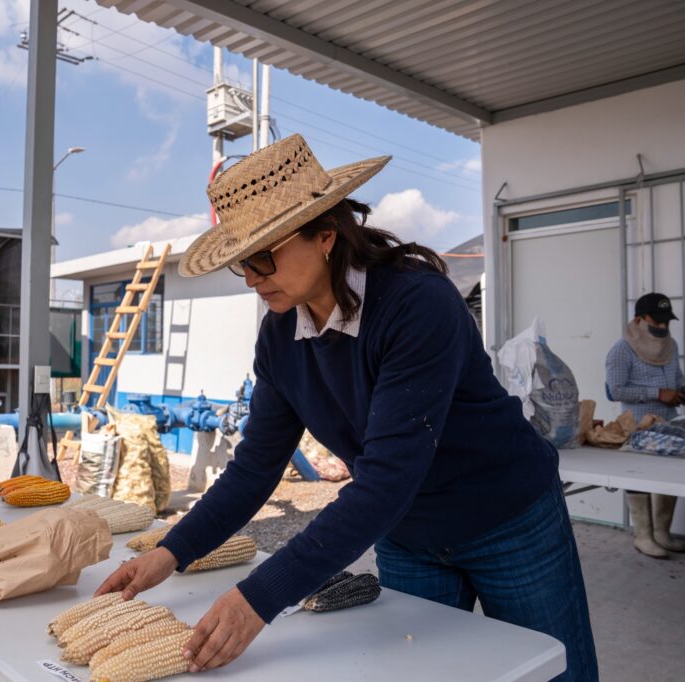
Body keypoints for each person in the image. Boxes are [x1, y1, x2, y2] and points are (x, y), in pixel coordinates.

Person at [95, 135, 598, 680]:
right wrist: (171, 553)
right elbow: (256, 467)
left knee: (554, 671)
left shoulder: (417, 305)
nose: (255, 279)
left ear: (326, 236)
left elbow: (384, 481)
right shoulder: (279, 336)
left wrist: (258, 599)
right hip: (409, 536)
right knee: (418, 673)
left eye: (265, 257)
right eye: (244, 263)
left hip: (507, 518)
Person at [605, 292, 685, 559]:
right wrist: (657, 393)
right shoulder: (621, 350)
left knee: (665, 477)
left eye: (666, 322)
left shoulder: (670, 346)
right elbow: (616, 390)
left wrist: (679, 391)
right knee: (639, 476)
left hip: (669, 425)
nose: (662, 327)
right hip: (638, 427)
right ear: (639, 319)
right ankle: (643, 536)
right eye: (657, 321)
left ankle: (662, 533)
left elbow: (676, 378)